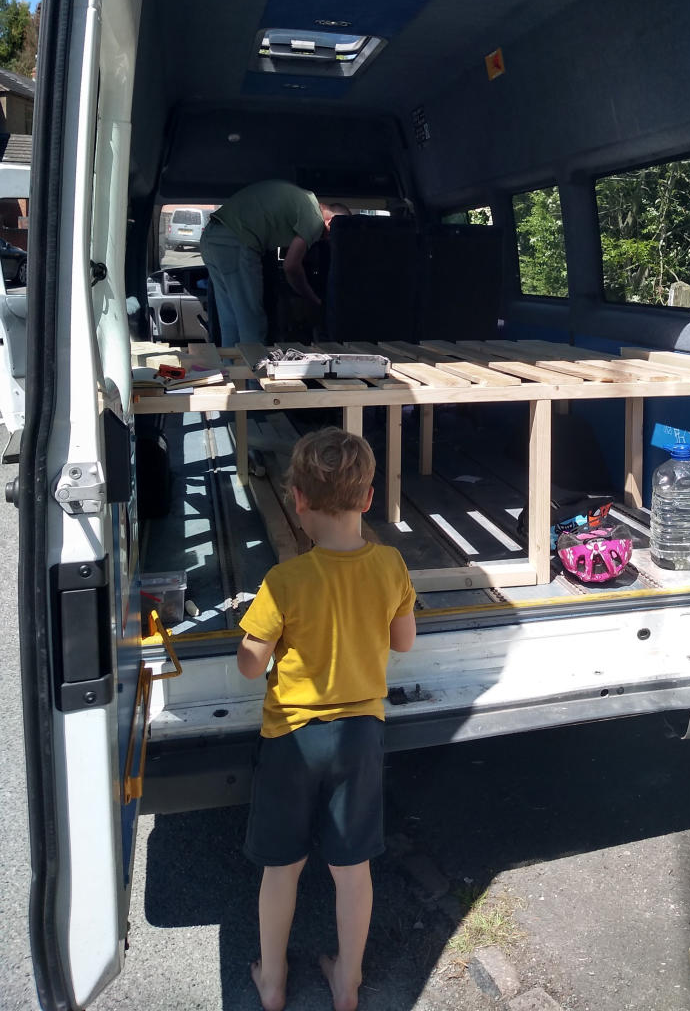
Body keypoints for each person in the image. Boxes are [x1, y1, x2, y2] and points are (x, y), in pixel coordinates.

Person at [237, 427, 416, 1011]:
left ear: (299, 501)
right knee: (351, 869)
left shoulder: (283, 581)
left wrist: (252, 633)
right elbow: (404, 643)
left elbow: (249, 666)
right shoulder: (391, 566)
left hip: (290, 738)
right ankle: (348, 979)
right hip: (360, 736)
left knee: (282, 869)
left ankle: (272, 980)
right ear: (368, 499)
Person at [199, 181, 350, 347]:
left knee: (231, 319)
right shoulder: (314, 217)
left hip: (211, 238)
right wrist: (312, 298)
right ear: (332, 223)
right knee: (252, 321)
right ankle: (254, 369)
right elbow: (291, 266)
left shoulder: (302, 202)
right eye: (329, 238)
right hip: (236, 241)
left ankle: (231, 368)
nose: (325, 241)